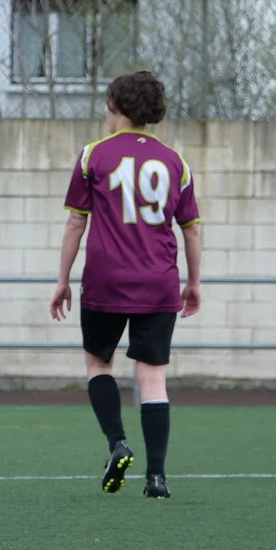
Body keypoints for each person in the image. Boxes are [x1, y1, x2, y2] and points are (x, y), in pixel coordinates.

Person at [50, 71, 202, 500]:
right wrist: (194, 282)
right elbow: (191, 229)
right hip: (159, 281)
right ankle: (156, 477)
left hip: (106, 280)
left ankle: (117, 442)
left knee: (99, 365)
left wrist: (62, 279)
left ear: (115, 106)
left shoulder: (92, 155)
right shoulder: (175, 162)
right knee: (152, 378)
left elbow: (75, 222)